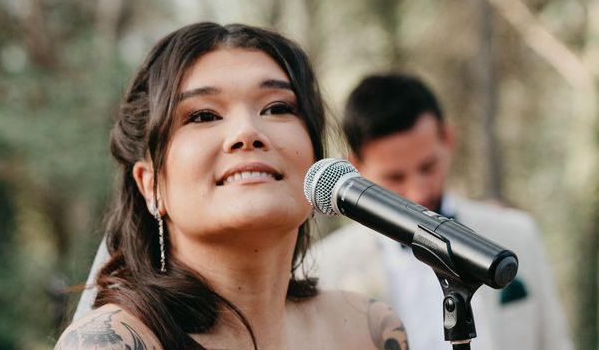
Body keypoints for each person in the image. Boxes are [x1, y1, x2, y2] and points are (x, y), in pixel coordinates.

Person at [54, 23, 408, 350]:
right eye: (203, 115)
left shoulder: (369, 330)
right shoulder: (116, 342)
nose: (247, 133)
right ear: (151, 186)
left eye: (276, 108)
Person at [311, 73, 573, 350]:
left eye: (427, 167)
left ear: (447, 138)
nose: (418, 192)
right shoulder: (325, 268)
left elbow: (555, 342)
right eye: (395, 178)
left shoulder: (517, 233)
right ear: (358, 167)